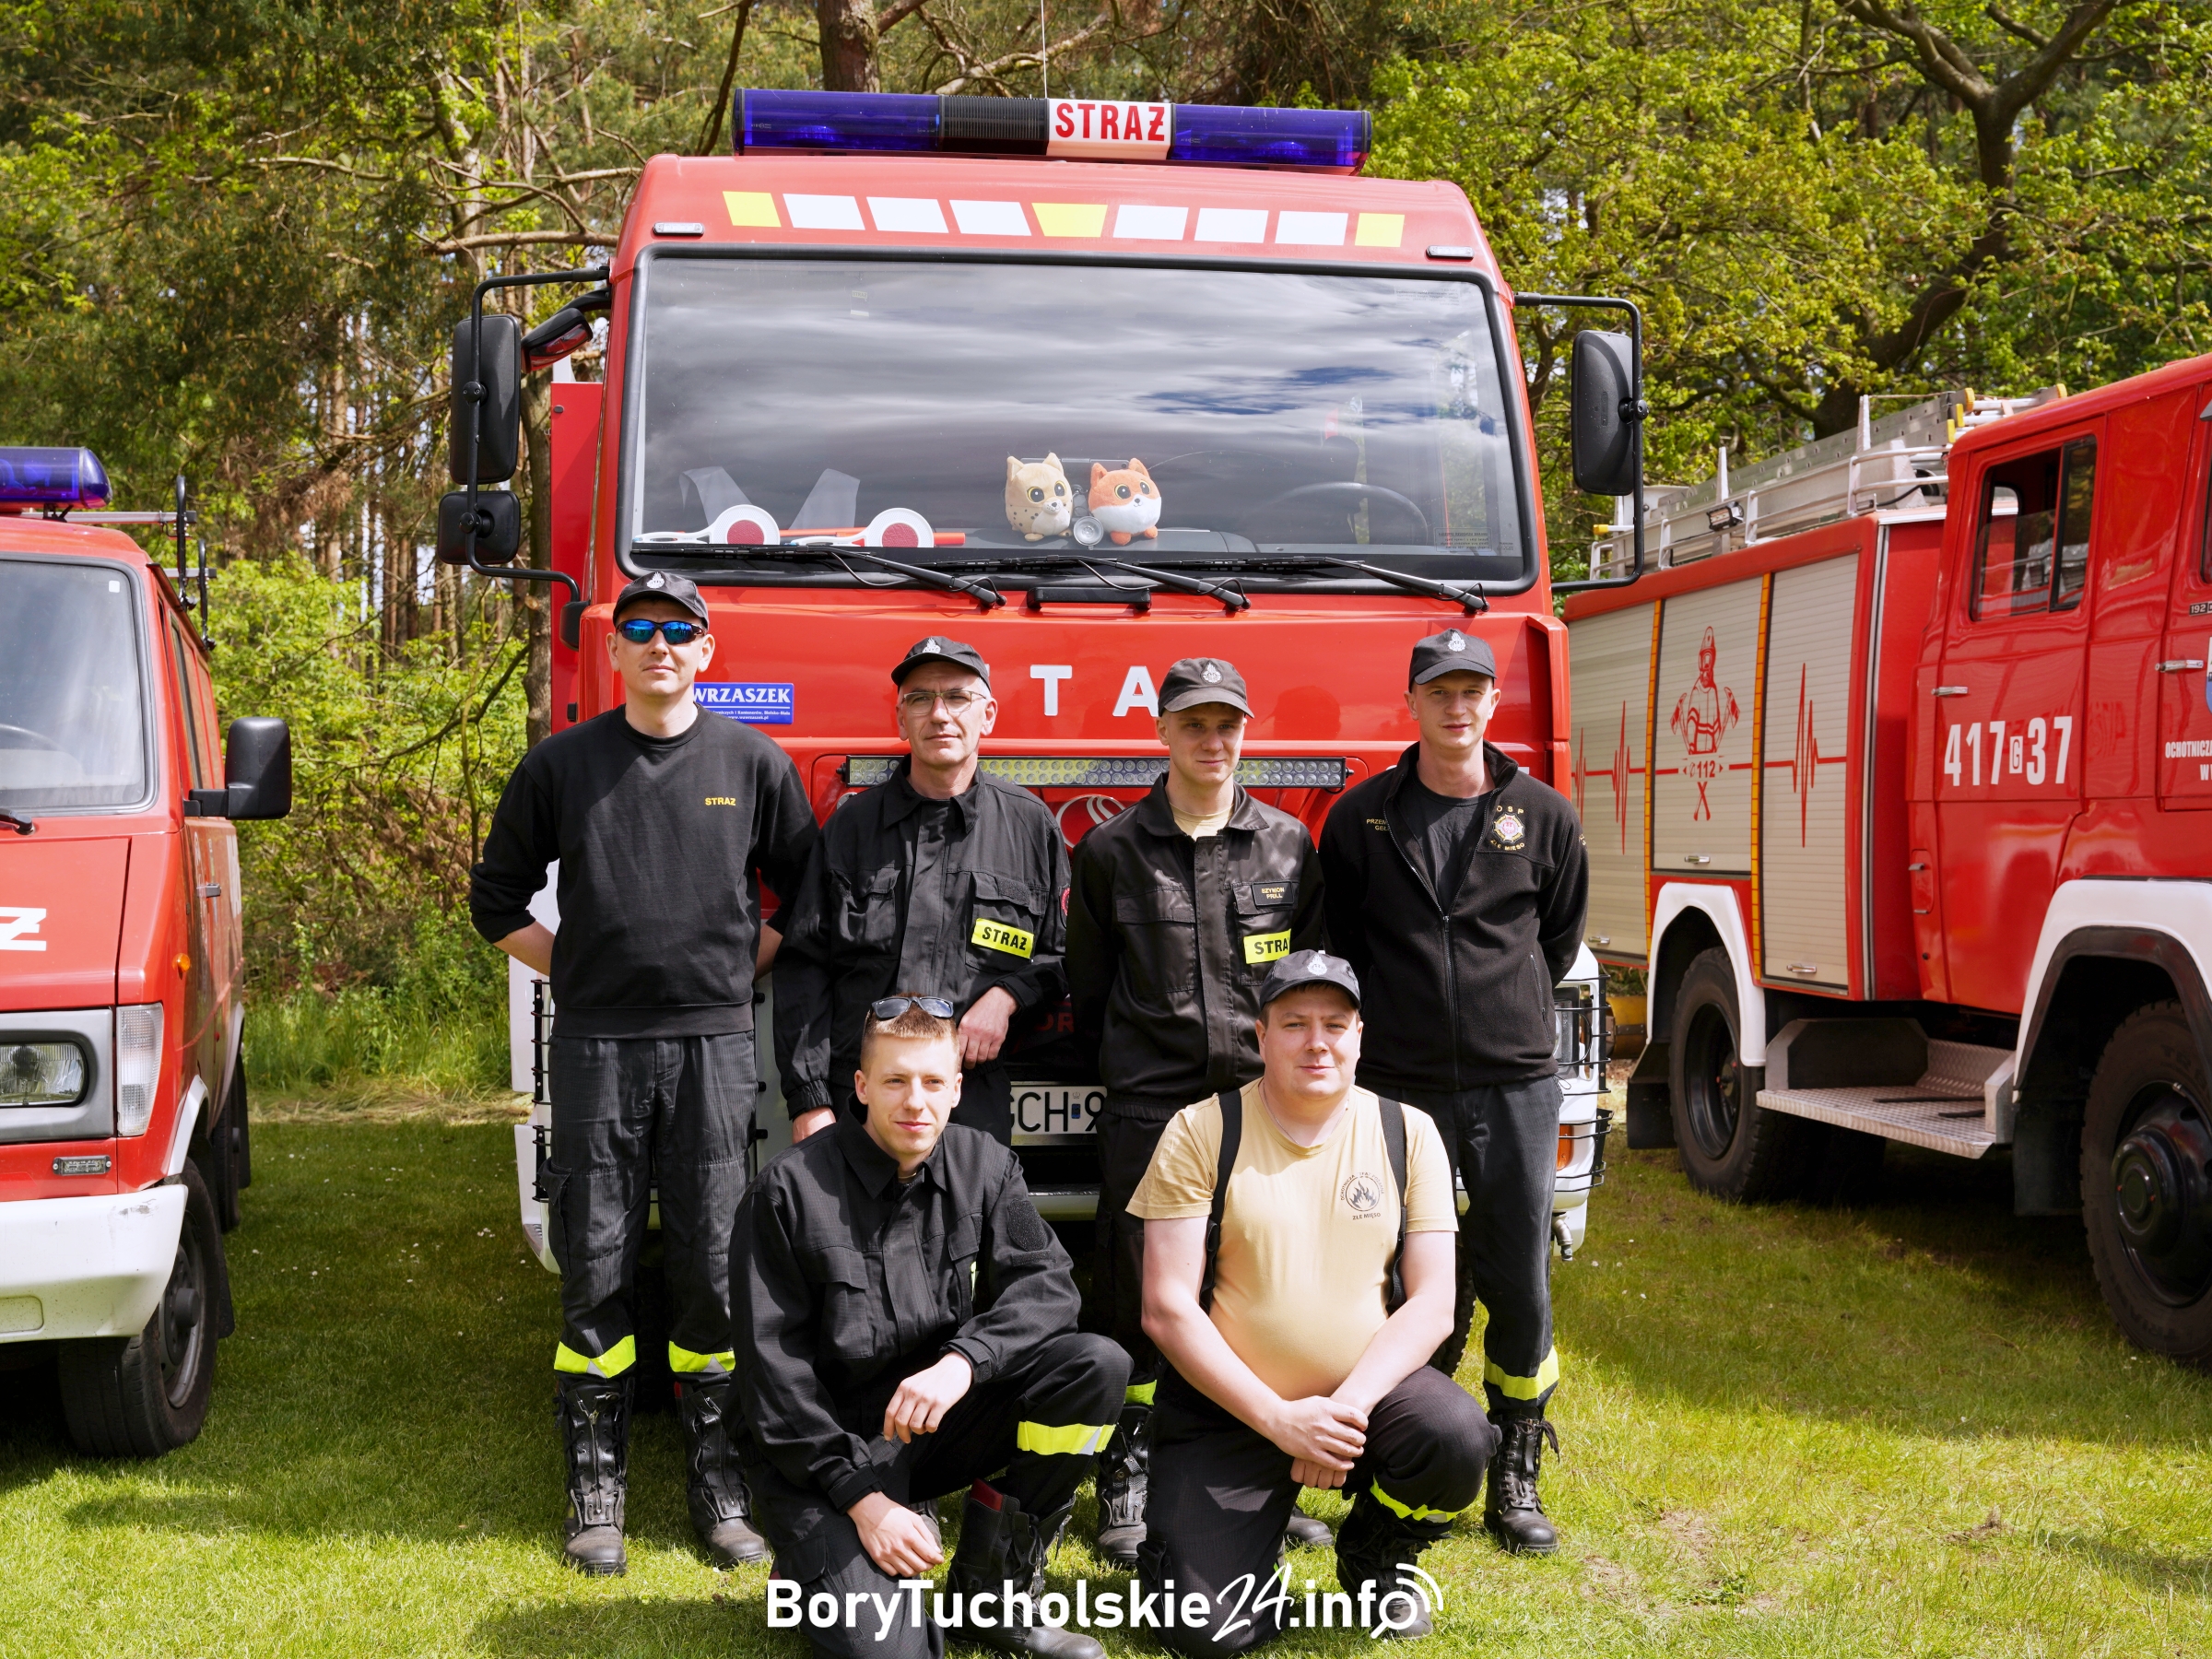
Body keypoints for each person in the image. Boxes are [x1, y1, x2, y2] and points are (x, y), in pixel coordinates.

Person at [469, 570, 818, 1576]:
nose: (660, 645)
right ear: (610, 653)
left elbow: (805, 894)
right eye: (640, 630)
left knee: (712, 1265)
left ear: (708, 651)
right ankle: (596, 1484)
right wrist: (573, 970)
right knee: (597, 1261)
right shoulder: (561, 764)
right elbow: (496, 899)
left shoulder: (753, 762)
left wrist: (732, 974)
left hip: (712, 1047)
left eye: (679, 631)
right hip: (594, 1047)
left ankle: (718, 1483)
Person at [735, 995, 1128, 1659]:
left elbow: (1050, 1286)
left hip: (931, 1425)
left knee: (1094, 1367)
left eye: (931, 1082)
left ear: (956, 1091)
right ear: (860, 1088)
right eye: (894, 1080)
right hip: (823, 1456)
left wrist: (963, 1363)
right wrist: (863, 1502)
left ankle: (991, 1594)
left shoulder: (986, 1166)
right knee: (892, 1654)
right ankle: (817, 1561)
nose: (914, 1102)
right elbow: (775, 1385)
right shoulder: (785, 1192)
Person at [1131, 952, 1491, 1653]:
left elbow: (1434, 1303)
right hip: (1231, 1411)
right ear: (1259, 1037)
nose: (1316, 1041)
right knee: (1203, 1634)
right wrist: (1280, 1420)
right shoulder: (1202, 1131)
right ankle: (1227, 1564)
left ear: (1360, 1036)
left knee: (1454, 1435)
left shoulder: (1408, 1131)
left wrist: (1345, 1410)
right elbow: (1165, 1308)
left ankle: (1377, 1552)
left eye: (1335, 1023)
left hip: (1367, 1407)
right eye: (1294, 1023)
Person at [1318, 629, 1589, 1554]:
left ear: (1491, 701)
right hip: (1398, 1087)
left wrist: (1496, 1006)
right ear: (1414, 702)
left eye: (1473, 689)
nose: (1458, 705)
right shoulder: (1362, 818)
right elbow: (1337, 947)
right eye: (1440, 690)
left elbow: (1555, 937)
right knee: (1397, 1279)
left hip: (1514, 1081)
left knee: (1518, 1278)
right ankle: (1410, 1445)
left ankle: (1515, 1470)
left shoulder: (1543, 814)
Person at [1063, 656, 1325, 1566]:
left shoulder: (1289, 848)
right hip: (1154, 1108)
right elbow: (1089, 990)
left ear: (1246, 733)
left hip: (1263, 1107)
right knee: (1142, 1292)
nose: (1213, 742)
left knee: (1259, 1285)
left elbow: (1309, 990)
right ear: (1162, 733)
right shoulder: (1111, 853)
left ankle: (1257, 1462)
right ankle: (1127, 1478)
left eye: (1228, 725)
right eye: (1194, 724)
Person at [776, 637, 1067, 1147]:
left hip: (968, 1101)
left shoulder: (1029, 827)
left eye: (957, 698)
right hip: (859, 1097)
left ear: (988, 715)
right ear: (900, 718)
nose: (939, 714)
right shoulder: (852, 827)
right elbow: (804, 967)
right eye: (920, 699)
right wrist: (810, 1100)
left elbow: (1066, 953)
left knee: (967, 1227)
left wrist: (1008, 994)